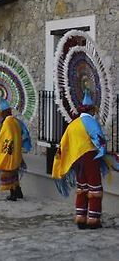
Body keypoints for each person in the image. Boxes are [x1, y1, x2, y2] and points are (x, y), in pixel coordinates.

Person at [52, 90, 106, 229]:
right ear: (92, 109)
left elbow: (64, 143)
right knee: (95, 188)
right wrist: (102, 151)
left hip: (77, 160)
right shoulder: (90, 121)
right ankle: (93, 220)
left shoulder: (73, 124)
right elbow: (99, 138)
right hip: (90, 157)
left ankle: (80, 217)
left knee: (82, 187)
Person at [0, 98, 31, 201]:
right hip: (16, 151)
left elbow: (7, 138)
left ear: (3, 112)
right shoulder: (15, 121)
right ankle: (18, 191)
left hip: (9, 152)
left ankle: (13, 194)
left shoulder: (7, 122)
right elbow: (22, 134)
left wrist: (4, 152)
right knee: (14, 172)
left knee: (10, 172)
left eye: (0, 112)